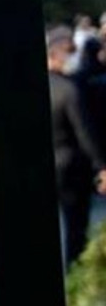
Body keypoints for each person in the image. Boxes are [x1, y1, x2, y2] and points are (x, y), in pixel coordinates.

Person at [46, 26, 106, 266]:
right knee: (75, 226)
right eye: (69, 51)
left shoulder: (40, 87)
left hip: (49, 163)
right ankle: (73, 269)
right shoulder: (70, 90)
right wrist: (101, 165)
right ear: (56, 54)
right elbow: (85, 133)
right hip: (72, 164)